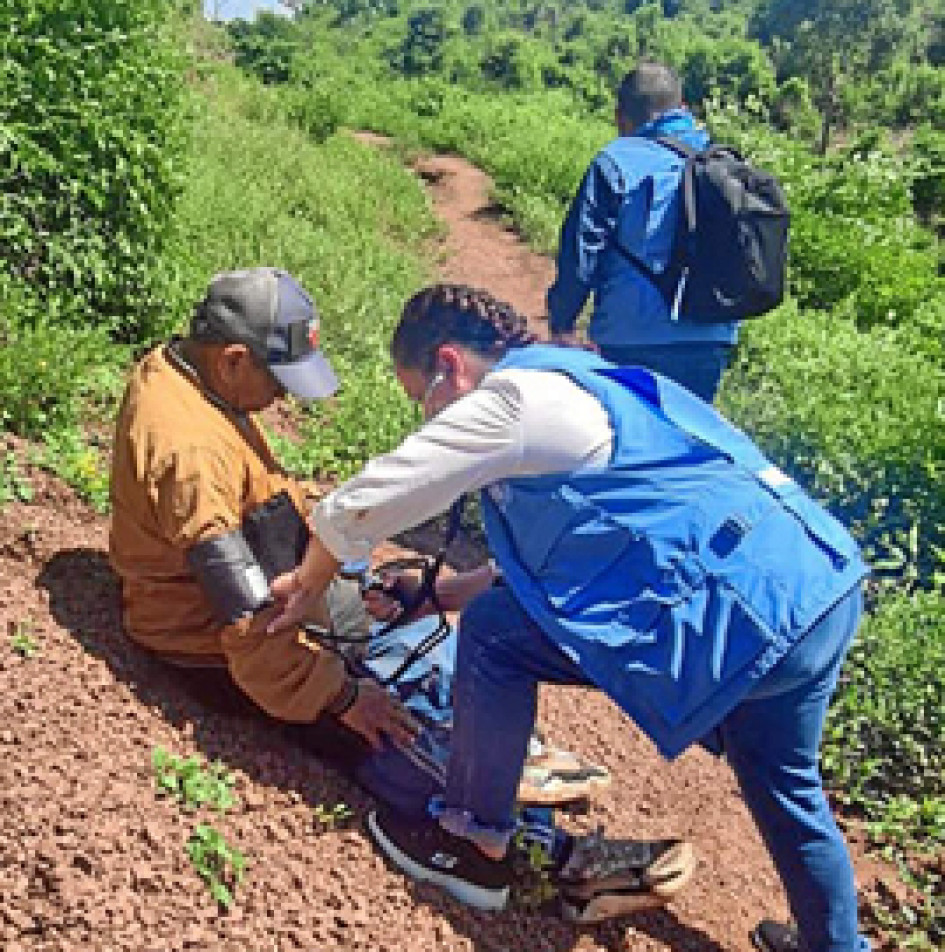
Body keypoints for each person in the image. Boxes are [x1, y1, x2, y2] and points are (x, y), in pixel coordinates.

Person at [270, 283, 871, 951]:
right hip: (815, 589)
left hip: (741, 617)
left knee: (497, 632)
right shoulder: (576, 378)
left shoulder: (509, 402)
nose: (426, 418)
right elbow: (590, 544)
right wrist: (443, 594)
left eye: (423, 399)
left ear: (448, 363)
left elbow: (367, 499)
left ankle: (471, 844)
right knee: (783, 784)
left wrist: (308, 580)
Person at [109, 267, 692, 922]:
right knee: (389, 737)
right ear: (237, 357)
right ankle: (561, 863)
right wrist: (343, 696)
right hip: (211, 647)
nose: (282, 400)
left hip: (276, 596)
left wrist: (344, 574)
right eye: (278, 381)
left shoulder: (194, 376)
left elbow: (264, 504)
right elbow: (251, 626)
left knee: (423, 636)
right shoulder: (189, 455)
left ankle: (495, 751)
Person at [546, 61, 738, 402]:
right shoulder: (721, 162)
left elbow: (581, 254)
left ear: (620, 117)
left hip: (629, 337)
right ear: (683, 109)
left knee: (631, 443)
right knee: (687, 444)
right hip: (710, 339)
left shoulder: (614, 161)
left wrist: (562, 323)